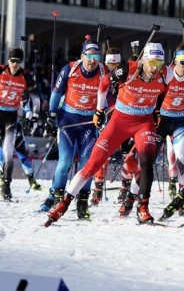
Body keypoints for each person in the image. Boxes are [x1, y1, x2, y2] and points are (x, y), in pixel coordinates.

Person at [45, 42, 168, 226]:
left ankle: (142, 207)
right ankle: (64, 203)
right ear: (143, 60)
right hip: (119, 121)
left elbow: (163, 92)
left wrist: (157, 110)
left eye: (159, 63)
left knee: (147, 160)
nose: (154, 68)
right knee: (93, 164)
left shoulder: (166, 73)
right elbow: (103, 84)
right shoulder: (128, 70)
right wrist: (99, 110)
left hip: (144, 122)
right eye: (151, 63)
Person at [39, 38, 106, 217]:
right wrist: (51, 115)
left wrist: (105, 111)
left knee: (87, 165)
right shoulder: (70, 69)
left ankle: (82, 203)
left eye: (96, 56)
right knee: (65, 162)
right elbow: (56, 93)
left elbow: (111, 96)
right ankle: (54, 197)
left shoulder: (103, 72)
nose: (93, 60)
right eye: (90, 55)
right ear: (82, 55)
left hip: (89, 125)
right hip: (68, 121)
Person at [150, 43, 184, 217]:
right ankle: (132, 198)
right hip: (162, 120)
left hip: (181, 121)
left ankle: (181, 200)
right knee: (148, 158)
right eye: (182, 62)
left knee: (182, 158)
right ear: (175, 60)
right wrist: (152, 112)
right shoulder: (165, 73)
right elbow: (151, 90)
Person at [0, 48, 38, 201]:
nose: (15, 64)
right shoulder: (1, 71)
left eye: (18, 61)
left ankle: (6, 188)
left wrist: (29, 112)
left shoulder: (25, 77)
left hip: (10, 117)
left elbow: (28, 98)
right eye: (12, 61)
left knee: (9, 154)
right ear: (8, 60)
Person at [90, 47, 123, 205]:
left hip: (124, 119)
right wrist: (99, 111)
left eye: (116, 64)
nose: (114, 67)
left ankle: (126, 187)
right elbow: (99, 97)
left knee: (128, 153)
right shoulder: (102, 76)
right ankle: (97, 188)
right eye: (111, 64)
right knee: (102, 153)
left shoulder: (125, 75)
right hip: (107, 119)